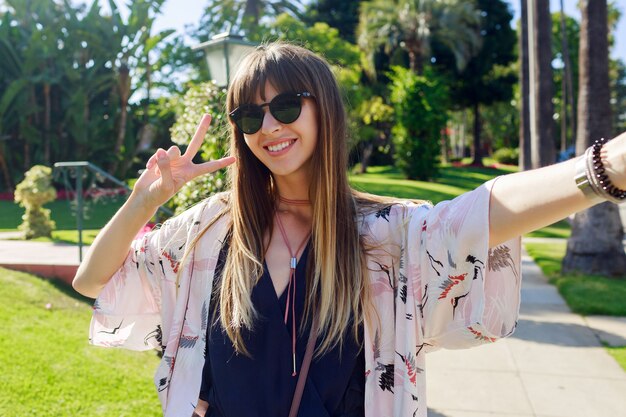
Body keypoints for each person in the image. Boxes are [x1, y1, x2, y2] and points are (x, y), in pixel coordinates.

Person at [73, 42, 626, 417]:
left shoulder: (384, 237)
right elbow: (93, 281)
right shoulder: (212, 231)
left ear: (325, 111)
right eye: (248, 116)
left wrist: (603, 170)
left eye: (286, 106)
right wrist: (145, 200)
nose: (269, 127)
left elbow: (482, 210)